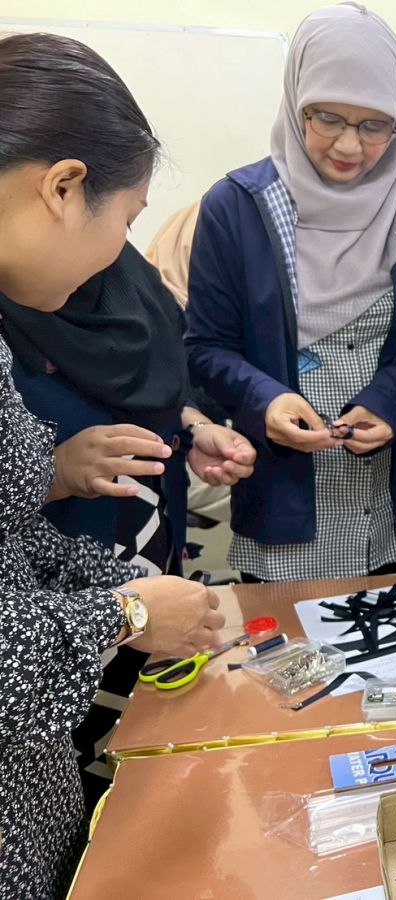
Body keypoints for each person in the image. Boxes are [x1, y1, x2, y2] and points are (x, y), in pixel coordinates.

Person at [0, 32, 224, 897]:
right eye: (125, 222)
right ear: (63, 188)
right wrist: (126, 613)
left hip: (33, 795)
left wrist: (127, 586)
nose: (120, 254)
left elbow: (12, 541)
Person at [186, 2, 396, 581]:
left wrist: (392, 400)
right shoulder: (237, 208)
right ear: (297, 104)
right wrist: (266, 400)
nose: (349, 146)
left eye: (374, 125)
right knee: (292, 639)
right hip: (285, 500)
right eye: (328, 118)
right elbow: (206, 348)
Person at [0, 241, 255, 807]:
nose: (118, 241)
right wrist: (54, 472)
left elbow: (158, 382)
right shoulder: (18, 306)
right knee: (76, 746)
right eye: (122, 215)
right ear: (60, 197)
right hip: (54, 601)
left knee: (148, 734)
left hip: (136, 552)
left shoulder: (119, 275)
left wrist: (191, 428)